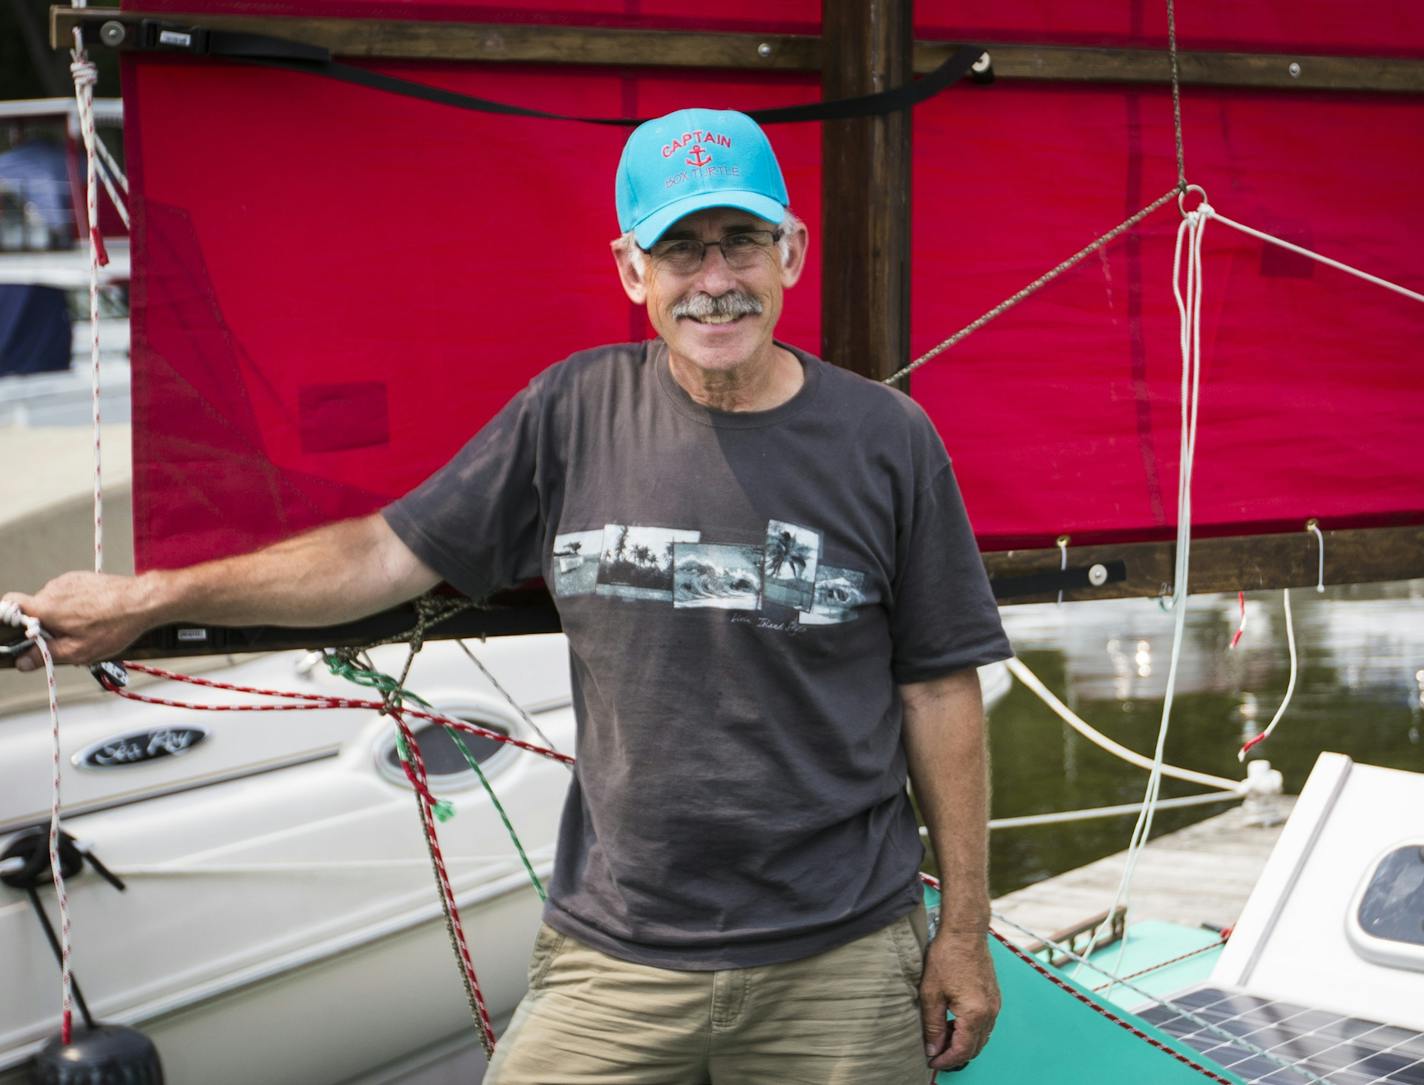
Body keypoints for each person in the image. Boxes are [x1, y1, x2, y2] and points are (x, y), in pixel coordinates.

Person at [7, 108, 1013, 1083]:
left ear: (789, 253)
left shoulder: (889, 437)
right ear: (632, 270)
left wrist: (962, 932)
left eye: (740, 244)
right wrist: (151, 596)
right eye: (680, 251)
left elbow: (937, 689)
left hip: (838, 957)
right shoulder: (569, 410)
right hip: (614, 953)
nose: (715, 282)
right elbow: (377, 555)